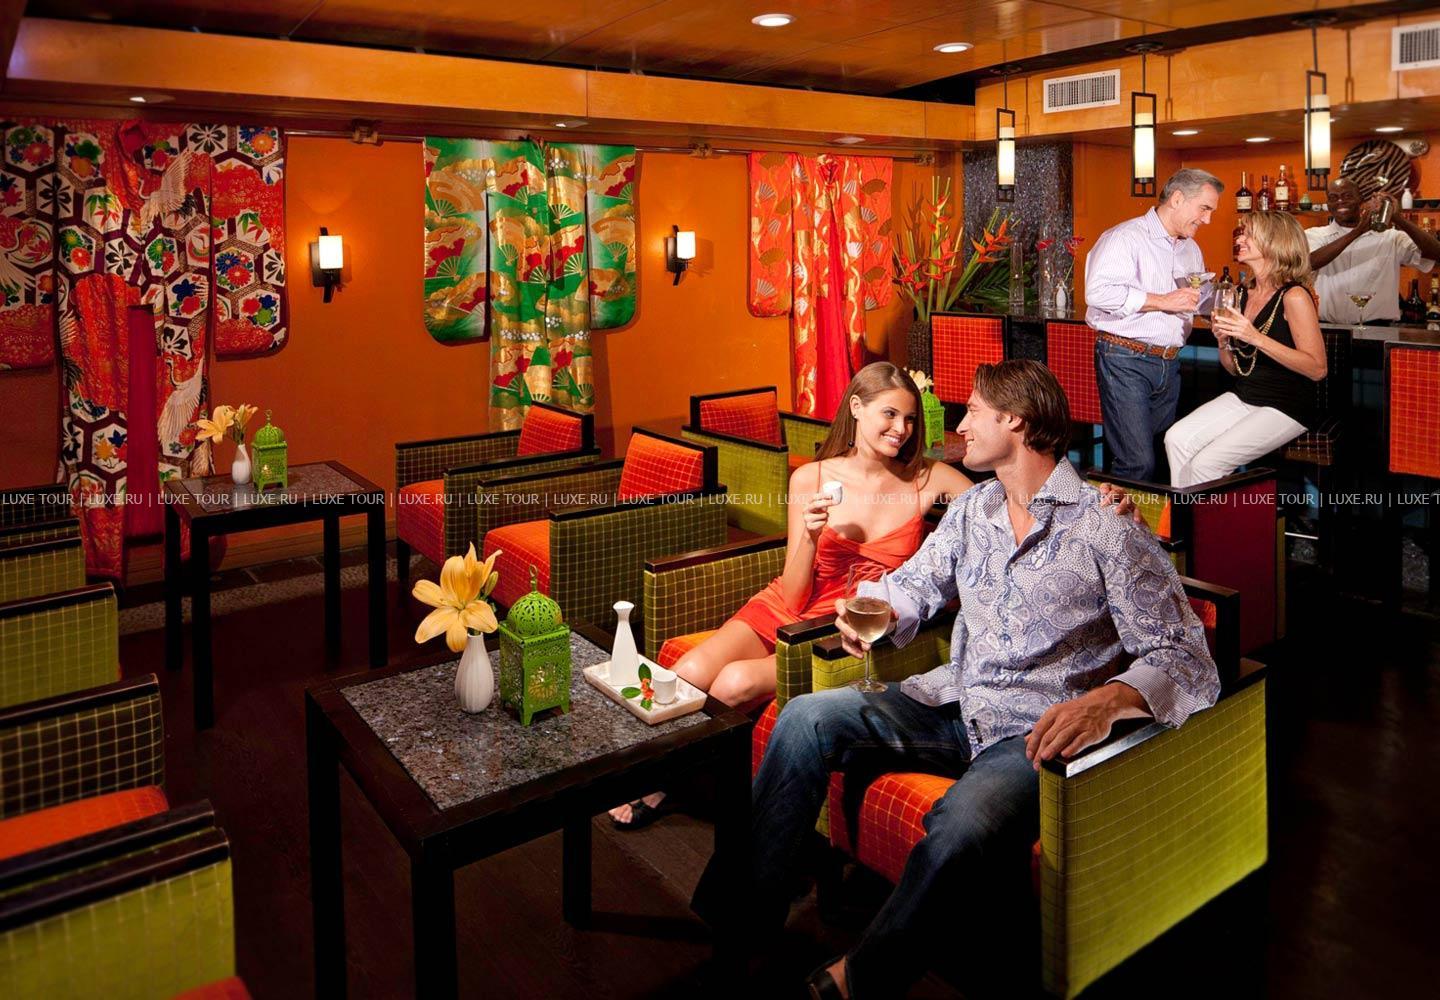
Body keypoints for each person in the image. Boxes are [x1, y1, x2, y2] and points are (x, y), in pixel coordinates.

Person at [692, 359, 1219, 999]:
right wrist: (878, 609)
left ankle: (861, 979)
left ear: (1014, 421)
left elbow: (1184, 655)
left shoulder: (1106, 526)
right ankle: (739, 929)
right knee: (805, 716)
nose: (958, 426)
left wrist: (1112, 699)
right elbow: (913, 585)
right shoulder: (973, 509)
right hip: (953, 701)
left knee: (964, 821)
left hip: (1032, 736)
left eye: (972, 411)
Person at [609, 362, 1143, 828]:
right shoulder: (812, 477)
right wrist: (810, 537)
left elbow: (1018, 496)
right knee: (687, 669)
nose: (901, 429)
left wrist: (1102, 499)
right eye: (889, 414)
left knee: (733, 681)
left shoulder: (931, 478)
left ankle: (675, 787)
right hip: (792, 601)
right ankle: (624, 774)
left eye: (909, 419)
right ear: (856, 408)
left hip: (840, 622)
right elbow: (793, 591)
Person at [1164, 211, 1326, 488]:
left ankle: (1207, 517)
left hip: (1287, 405)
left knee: (1207, 464)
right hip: (1246, 396)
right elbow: (1234, 369)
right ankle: (1186, 515)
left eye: (1249, 234)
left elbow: (1317, 369)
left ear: (1274, 242)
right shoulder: (1239, 293)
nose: (1239, 239)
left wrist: (1254, 337)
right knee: (1176, 438)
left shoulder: (1295, 296)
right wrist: (1223, 340)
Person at [1085, 167, 1223, 480]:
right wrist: (1163, 300)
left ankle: (1149, 516)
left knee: (1160, 462)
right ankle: (1113, 514)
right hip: (1125, 359)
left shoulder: (1190, 248)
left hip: (1170, 364)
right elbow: (1098, 293)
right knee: (1137, 464)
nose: (1207, 220)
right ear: (1177, 199)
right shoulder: (1124, 237)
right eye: (1204, 209)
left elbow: (1198, 301)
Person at [1306, 177, 1440, 325]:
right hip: (1328, 329)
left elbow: (1436, 253)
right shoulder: (1314, 235)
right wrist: (1357, 232)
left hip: (1378, 329)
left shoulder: (1391, 238)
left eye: (1347, 196)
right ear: (1328, 204)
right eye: (1333, 198)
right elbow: (1310, 262)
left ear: (1360, 199)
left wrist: (1398, 218)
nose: (1340, 201)